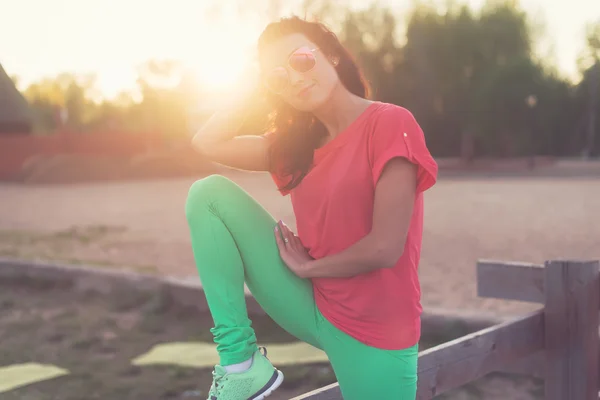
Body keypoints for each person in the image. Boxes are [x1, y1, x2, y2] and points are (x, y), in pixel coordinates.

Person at [185, 16, 438, 400]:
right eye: (279, 77)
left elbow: (386, 247)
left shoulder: (389, 123)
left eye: (302, 60)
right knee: (208, 196)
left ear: (331, 56)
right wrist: (259, 86)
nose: (296, 78)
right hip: (312, 302)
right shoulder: (294, 147)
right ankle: (240, 366)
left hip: (376, 332)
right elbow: (207, 142)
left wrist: (309, 267)